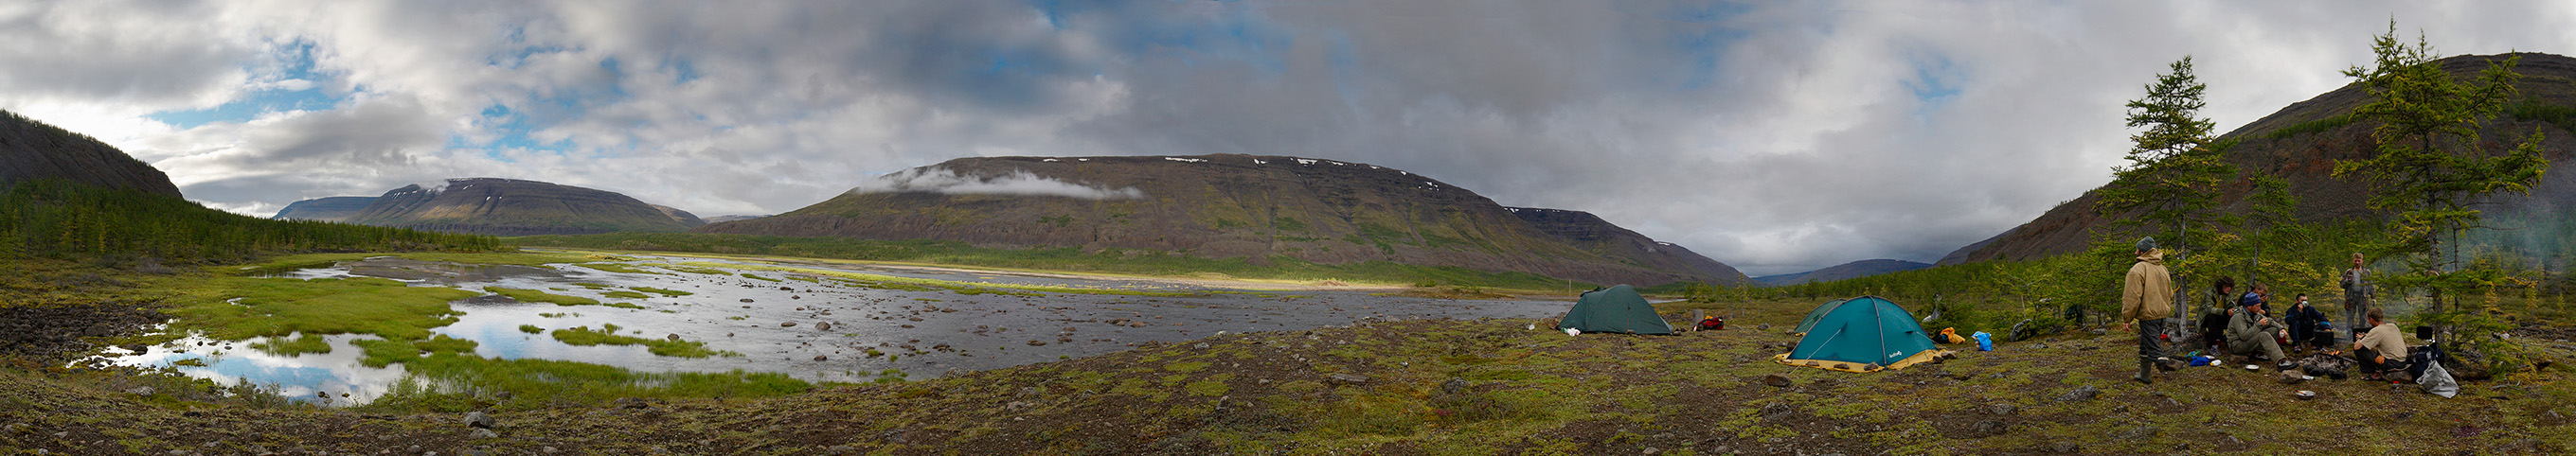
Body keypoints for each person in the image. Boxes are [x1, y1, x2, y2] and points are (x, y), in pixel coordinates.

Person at [2120, 237, 2178, 384]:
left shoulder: (2138, 270)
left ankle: (2166, 363)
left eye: (2137, 249)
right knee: (2146, 344)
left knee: (2154, 349)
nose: (2135, 252)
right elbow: (2170, 293)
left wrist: (2127, 318)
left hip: (2149, 315)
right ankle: (2145, 376)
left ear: (2142, 251)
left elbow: (2132, 297)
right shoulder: (2163, 269)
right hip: (2162, 314)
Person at [2226, 294, 2287, 366]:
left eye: (2260, 306)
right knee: (2263, 335)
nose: (2259, 308)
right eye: (2257, 306)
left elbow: (2270, 321)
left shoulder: (2255, 313)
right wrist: (2259, 324)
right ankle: (2281, 361)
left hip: (2248, 341)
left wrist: (2281, 328)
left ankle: (2258, 353)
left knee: (2274, 330)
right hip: (2237, 345)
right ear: (2249, 306)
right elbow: (2244, 336)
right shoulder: (2238, 316)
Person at [2353, 308, 2410, 381]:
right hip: (2403, 361)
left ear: (2371, 319)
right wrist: (2366, 336)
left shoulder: (2376, 330)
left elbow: (2357, 347)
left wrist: (2360, 338)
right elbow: (2382, 335)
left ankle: (2373, 375)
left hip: (2391, 364)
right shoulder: (2393, 326)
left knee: (2360, 349)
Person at [2198, 276, 2236, 353]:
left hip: (2220, 316)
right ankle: (2211, 345)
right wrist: (2225, 312)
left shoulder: (2229, 294)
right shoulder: (2209, 293)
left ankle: (2232, 342)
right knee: (2213, 318)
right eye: (2226, 287)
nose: (2229, 289)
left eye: (2230, 287)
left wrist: (2234, 310)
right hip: (2206, 317)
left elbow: (2232, 305)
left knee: (2234, 318)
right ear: (2221, 286)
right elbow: (2210, 309)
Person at [2341, 253, 2372, 344]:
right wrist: (2348, 281)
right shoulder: (2348, 272)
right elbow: (2342, 285)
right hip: (2351, 297)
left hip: (2363, 297)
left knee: (2363, 316)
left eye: (2359, 261)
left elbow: (2370, 285)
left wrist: (2373, 296)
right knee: (2350, 316)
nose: (2357, 262)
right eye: (2355, 261)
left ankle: (2362, 334)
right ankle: (2349, 334)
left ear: (2362, 261)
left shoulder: (2366, 272)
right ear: (2353, 261)